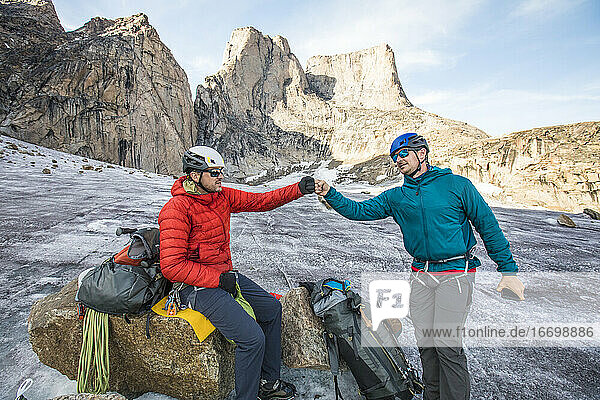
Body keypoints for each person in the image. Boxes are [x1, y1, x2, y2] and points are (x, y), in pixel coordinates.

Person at [314, 132, 525, 400]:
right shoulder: (397, 197)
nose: (398, 160)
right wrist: (330, 194)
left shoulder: (457, 185)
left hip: (456, 274)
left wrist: (508, 270)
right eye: (395, 156)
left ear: (421, 154)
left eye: (404, 153)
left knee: (447, 346)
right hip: (421, 276)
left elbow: (488, 226)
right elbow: (359, 211)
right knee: (427, 346)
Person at [158, 146, 315, 400]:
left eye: (221, 171)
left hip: (223, 277)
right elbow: (172, 266)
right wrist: (218, 279)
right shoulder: (177, 209)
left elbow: (261, 201)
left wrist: (298, 189)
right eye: (214, 172)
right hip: (196, 287)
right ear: (195, 176)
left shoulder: (220, 196)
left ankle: (268, 382)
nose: (220, 177)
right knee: (251, 339)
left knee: (271, 309)